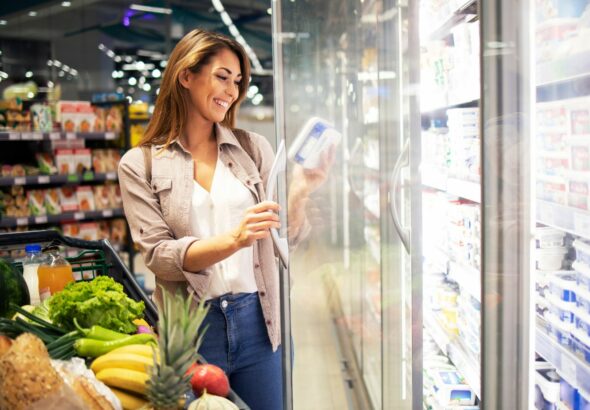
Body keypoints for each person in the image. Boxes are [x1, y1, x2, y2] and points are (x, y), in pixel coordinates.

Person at [118, 29, 332, 409]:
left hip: (260, 322)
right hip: (193, 329)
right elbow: (159, 256)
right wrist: (234, 239)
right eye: (222, 76)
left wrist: (300, 191)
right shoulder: (140, 164)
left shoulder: (252, 148)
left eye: (237, 81)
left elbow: (286, 241)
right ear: (186, 75)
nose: (232, 91)